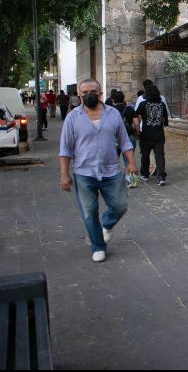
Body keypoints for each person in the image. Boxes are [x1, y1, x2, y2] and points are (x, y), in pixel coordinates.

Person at [59, 79, 137, 263]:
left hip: (111, 171)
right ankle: (98, 246)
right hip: (84, 173)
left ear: (101, 93)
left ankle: (107, 224)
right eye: (84, 92)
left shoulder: (113, 115)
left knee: (120, 205)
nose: (88, 95)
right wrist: (64, 173)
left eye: (92, 91)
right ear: (79, 96)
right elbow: (65, 148)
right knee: (89, 211)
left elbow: (125, 141)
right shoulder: (72, 118)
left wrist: (131, 162)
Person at [135, 85, 169, 186]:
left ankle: (145, 174)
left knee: (145, 154)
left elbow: (138, 118)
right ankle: (161, 176)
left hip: (146, 134)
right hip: (159, 134)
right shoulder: (162, 104)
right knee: (160, 155)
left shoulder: (142, 104)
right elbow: (164, 119)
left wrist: (137, 131)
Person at [112, 90, 140, 179]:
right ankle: (131, 180)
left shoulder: (110, 111)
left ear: (113, 100)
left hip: (114, 139)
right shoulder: (129, 109)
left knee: (113, 161)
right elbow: (136, 123)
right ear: (123, 99)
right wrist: (137, 133)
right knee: (129, 160)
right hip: (129, 137)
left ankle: (114, 179)